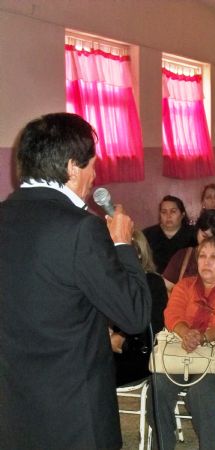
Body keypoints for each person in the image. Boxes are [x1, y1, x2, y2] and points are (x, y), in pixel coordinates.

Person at [0, 112, 151, 449]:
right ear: (72, 167)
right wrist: (124, 245)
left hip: (14, 407)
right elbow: (134, 314)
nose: (95, 177)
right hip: (74, 412)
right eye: (93, 166)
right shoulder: (81, 229)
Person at [147, 236, 215, 450]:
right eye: (202, 256)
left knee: (199, 387)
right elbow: (171, 315)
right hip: (182, 354)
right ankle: (163, 445)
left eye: (214, 257)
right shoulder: (185, 285)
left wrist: (203, 337)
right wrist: (186, 333)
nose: (206, 261)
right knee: (158, 385)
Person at [111, 230, 169, 387]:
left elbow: (153, 327)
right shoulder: (111, 282)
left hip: (141, 352)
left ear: (137, 253)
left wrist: (121, 337)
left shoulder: (152, 282)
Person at [162, 209, 215, 291]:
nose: (208, 242)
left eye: (214, 239)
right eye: (204, 236)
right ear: (197, 230)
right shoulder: (183, 255)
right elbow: (165, 288)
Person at [143, 195, 197, 273]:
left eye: (173, 211)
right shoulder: (148, 234)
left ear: (182, 214)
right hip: (156, 281)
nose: (168, 216)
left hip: (185, 282)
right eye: (164, 212)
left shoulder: (193, 235)